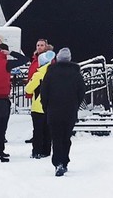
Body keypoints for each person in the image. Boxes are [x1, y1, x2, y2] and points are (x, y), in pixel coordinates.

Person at [39, 47, 84, 177]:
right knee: (66, 137)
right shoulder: (76, 74)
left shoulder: (50, 73)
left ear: (57, 58)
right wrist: (75, 104)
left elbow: (44, 92)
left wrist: (46, 107)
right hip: (70, 111)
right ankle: (64, 161)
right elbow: (81, 92)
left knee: (56, 137)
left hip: (53, 110)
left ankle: (58, 162)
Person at [0, 35, 27, 163]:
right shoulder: (7, 63)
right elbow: (24, 59)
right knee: (0, 129)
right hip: (1, 101)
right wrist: (11, 53)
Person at [24, 49, 55, 159]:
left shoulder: (38, 74)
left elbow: (28, 89)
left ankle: (36, 151)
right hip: (50, 107)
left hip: (38, 107)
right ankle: (46, 151)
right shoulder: (53, 74)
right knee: (48, 131)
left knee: (38, 131)